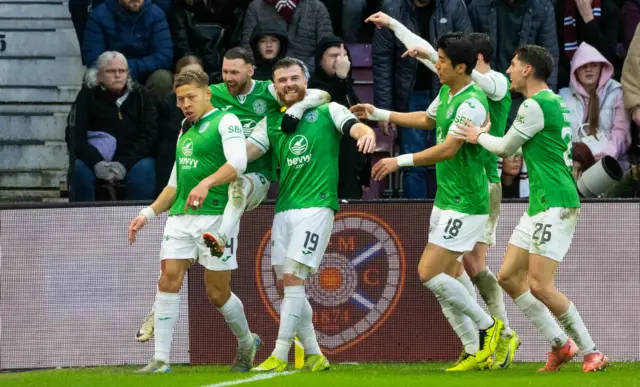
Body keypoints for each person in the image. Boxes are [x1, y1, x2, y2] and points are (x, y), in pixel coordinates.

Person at [135, 47, 330, 342]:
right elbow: (190, 102)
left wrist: (297, 109)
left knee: (238, 185)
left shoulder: (269, 91)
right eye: (224, 72)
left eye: (235, 72)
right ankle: (159, 307)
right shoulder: (213, 93)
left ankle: (222, 236)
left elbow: (319, 95)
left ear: (251, 70)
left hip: (255, 177)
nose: (228, 78)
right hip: (216, 185)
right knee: (184, 266)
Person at [367, 12, 519, 369]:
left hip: (469, 198)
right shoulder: (448, 92)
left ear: (465, 66)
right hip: (446, 197)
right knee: (448, 276)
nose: (436, 65)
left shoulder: (476, 97)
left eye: (442, 62)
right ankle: (473, 347)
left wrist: (399, 161)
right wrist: (380, 112)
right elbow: (427, 120)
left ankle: (490, 327)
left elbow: (449, 148)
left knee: (429, 273)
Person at [454, 44, 610, 373]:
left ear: (527, 70)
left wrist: (477, 135)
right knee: (509, 276)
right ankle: (558, 344)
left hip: (555, 202)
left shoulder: (534, 105)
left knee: (540, 285)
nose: (508, 70)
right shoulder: (553, 102)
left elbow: (505, 147)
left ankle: (592, 351)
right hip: (540, 202)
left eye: (512, 64)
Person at [248, 57, 377, 372]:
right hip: (284, 208)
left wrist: (364, 133)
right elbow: (246, 152)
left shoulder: (327, 110)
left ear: (305, 80)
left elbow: (353, 124)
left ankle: (280, 354)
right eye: (282, 80)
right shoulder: (271, 122)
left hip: (317, 205)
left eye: (294, 78)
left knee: (294, 279)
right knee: (284, 284)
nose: (289, 84)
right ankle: (316, 354)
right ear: (275, 86)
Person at [128, 69, 260, 374]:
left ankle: (246, 340)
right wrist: (146, 214)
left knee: (216, 293)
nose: (186, 104)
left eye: (191, 97)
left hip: (216, 216)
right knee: (168, 278)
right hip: (180, 218)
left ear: (207, 94)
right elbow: (174, 184)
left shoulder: (226, 121)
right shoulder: (184, 128)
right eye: (180, 99)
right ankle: (161, 360)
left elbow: (238, 163)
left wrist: (206, 184)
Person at [372, 0, 472, 199]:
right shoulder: (392, 8)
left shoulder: (454, 6)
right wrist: (383, 107)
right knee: (412, 164)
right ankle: (415, 221)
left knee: (453, 158)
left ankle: (451, 210)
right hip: (410, 94)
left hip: (449, 92)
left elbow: (466, 51)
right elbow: (382, 61)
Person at [66, 51, 158, 202]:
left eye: (122, 71)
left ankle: (141, 221)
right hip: (96, 158)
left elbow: (150, 136)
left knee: (145, 170)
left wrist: (124, 163)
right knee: (78, 169)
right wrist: (96, 162)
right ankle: (83, 221)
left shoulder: (142, 96)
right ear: (99, 76)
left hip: (133, 158)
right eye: (111, 71)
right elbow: (74, 135)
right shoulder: (87, 96)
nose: (117, 75)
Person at [309, 35, 371, 199]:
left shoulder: (347, 86)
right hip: (329, 172)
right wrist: (341, 77)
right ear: (320, 61)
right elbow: (331, 106)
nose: (340, 60)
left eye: (343, 56)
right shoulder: (313, 88)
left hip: (350, 169)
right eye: (333, 56)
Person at [559, 42, 631, 171]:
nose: (589, 69)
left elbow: (622, 131)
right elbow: (559, 134)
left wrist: (608, 153)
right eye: (584, 66)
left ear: (601, 68)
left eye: (594, 65)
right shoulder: (563, 96)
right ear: (576, 70)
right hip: (574, 164)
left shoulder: (616, 92)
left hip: (610, 164)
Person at [83, 0, 174, 100]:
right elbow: (93, 57)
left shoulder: (156, 14)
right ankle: (106, 114)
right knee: (93, 77)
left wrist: (127, 68)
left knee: (162, 79)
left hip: (145, 73)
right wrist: (117, 70)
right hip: (112, 72)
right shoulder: (99, 15)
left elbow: (164, 56)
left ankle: (156, 115)